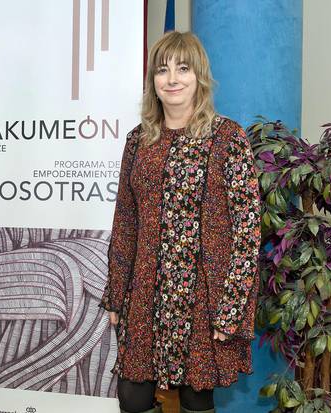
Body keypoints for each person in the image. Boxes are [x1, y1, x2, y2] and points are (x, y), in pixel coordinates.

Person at [101, 31, 261, 413]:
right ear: (153, 81)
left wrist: (231, 307)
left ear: (199, 76)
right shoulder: (137, 141)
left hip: (202, 295)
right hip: (144, 292)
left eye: (183, 68)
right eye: (163, 70)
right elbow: (126, 222)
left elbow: (248, 229)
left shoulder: (228, 138)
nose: (172, 79)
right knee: (132, 396)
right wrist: (117, 292)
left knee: (196, 397)